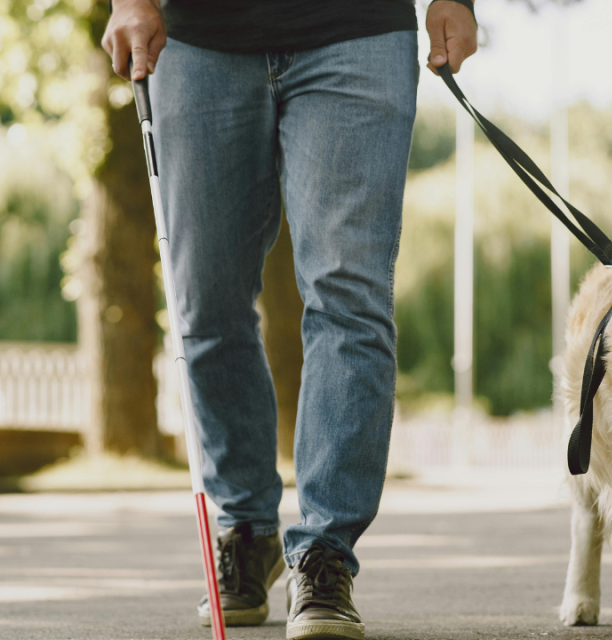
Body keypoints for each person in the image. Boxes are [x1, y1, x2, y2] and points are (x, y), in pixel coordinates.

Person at [100, 1, 477, 639]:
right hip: (199, 40)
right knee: (206, 300)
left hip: (356, 33)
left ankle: (325, 553)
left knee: (348, 294)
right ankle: (246, 530)